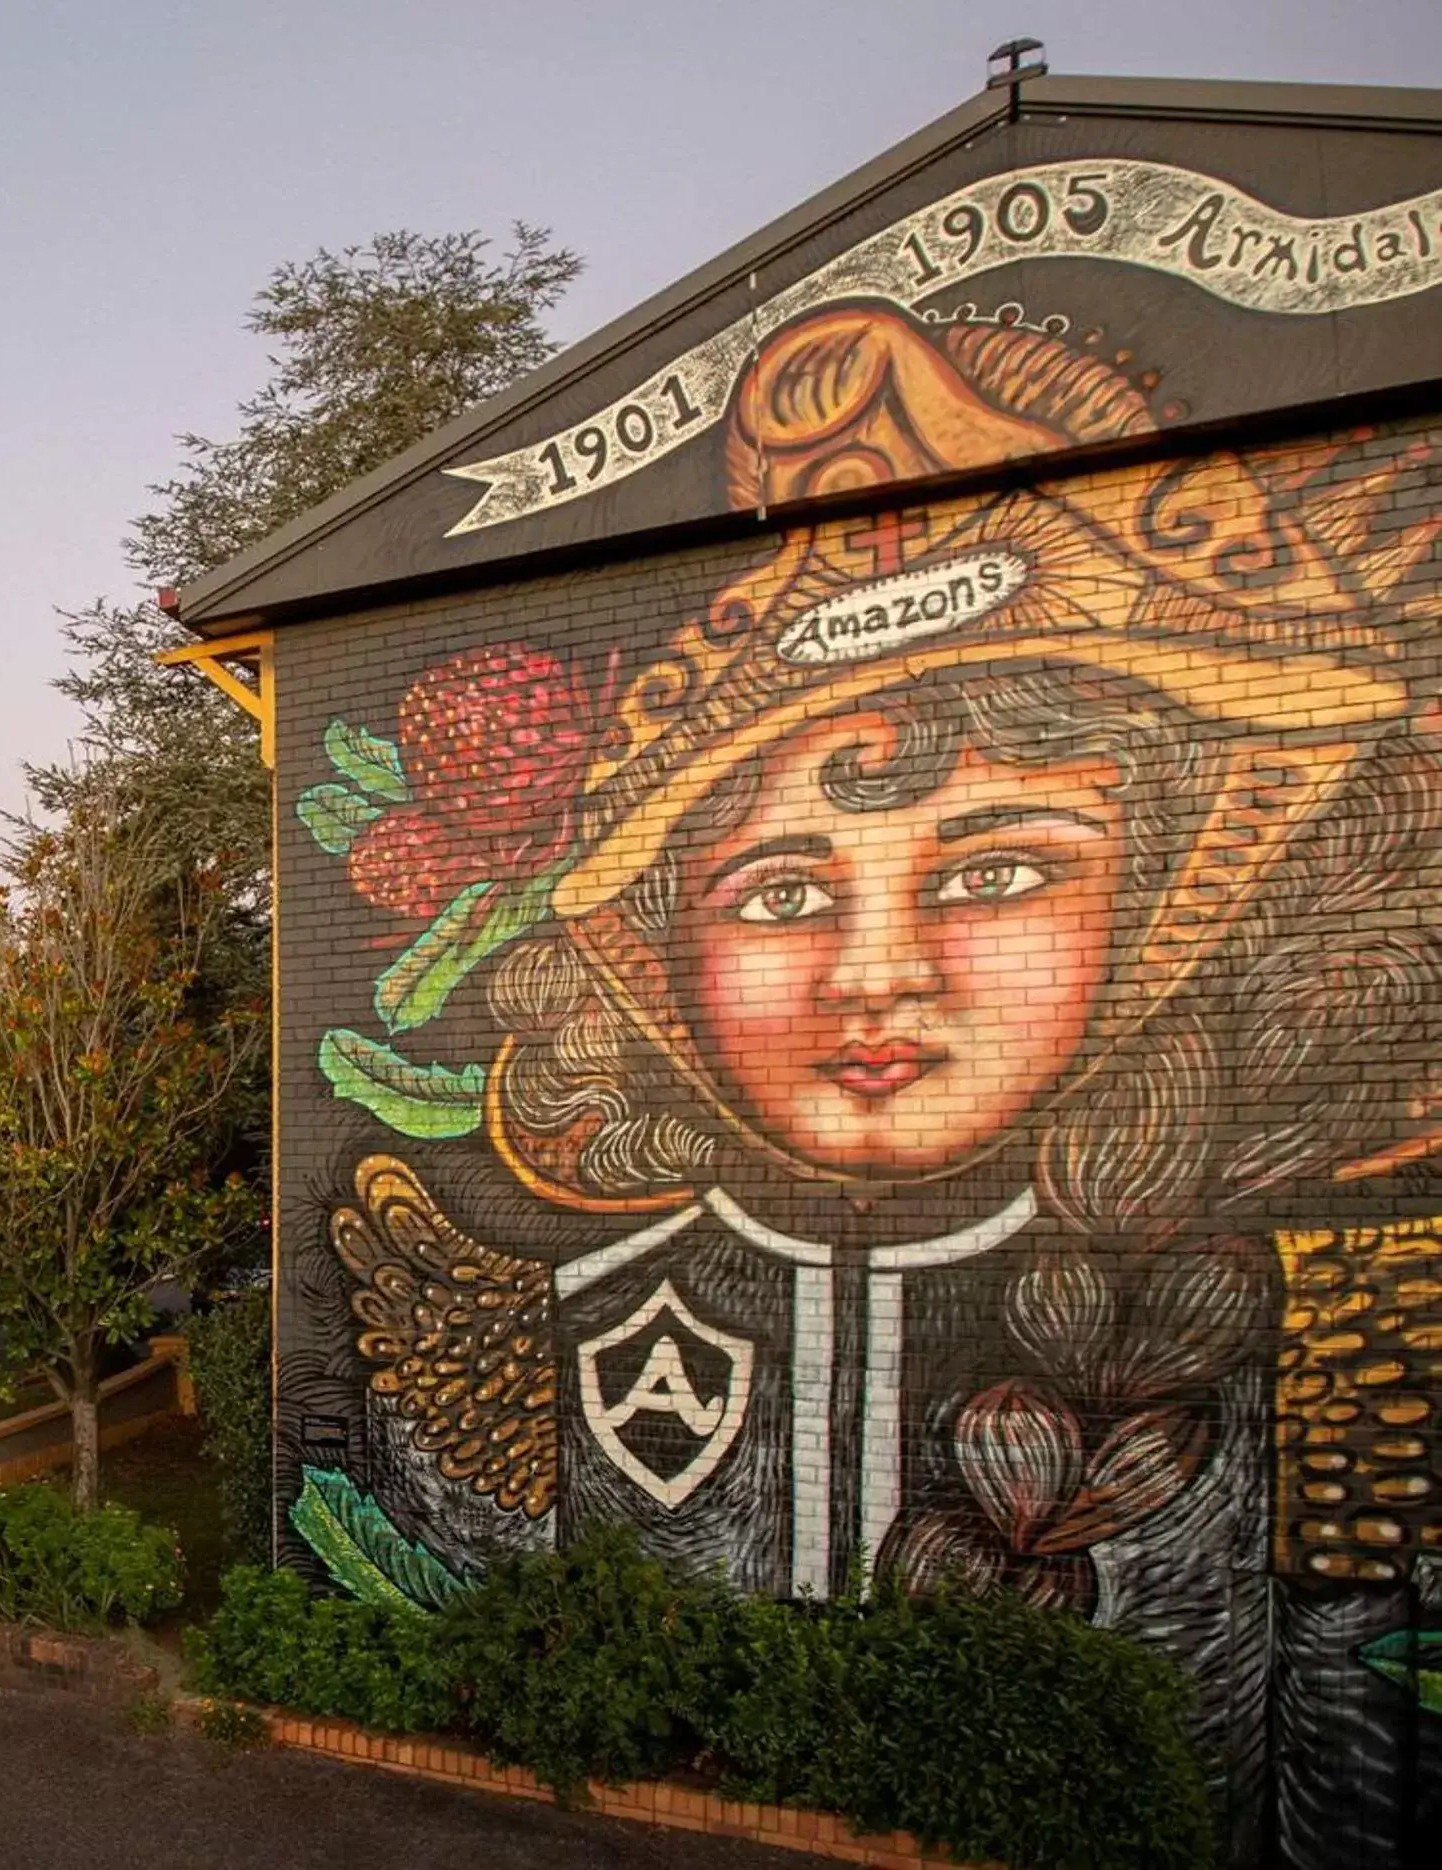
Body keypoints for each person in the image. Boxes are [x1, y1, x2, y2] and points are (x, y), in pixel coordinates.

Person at [318, 301, 1441, 1861]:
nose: (872, 972)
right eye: (779, 894)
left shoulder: (1320, 1346)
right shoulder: (557, 1310)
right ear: (653, 962)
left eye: (993, 872)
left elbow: (1349, 1758)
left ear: (1182, 895)